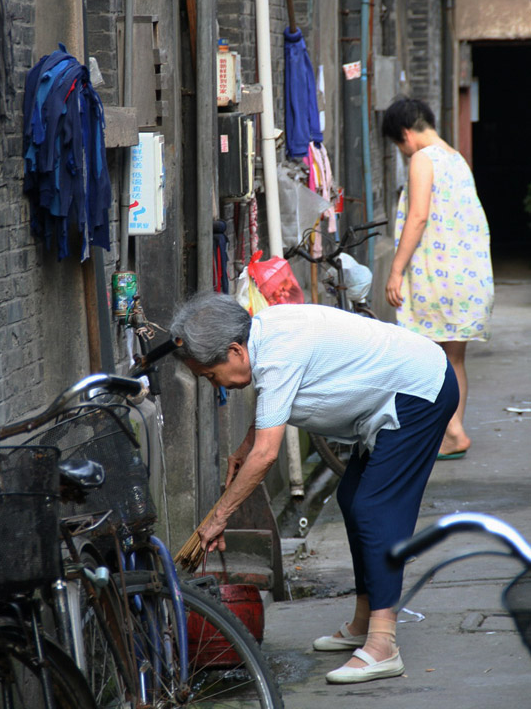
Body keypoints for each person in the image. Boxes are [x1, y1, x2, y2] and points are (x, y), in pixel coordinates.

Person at [170, 291, 459, 684]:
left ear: (235, 351)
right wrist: (245, 445)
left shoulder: (277, 353)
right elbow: (275, 407)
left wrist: (218, 517)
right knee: (352, 498)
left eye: (209, 376)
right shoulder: (265, 336)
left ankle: (383, 643)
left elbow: (268, 454)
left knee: (375, 508)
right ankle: (363, 622)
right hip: (393, 394)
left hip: (420, 392)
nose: (213, 384)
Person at [382, 97, 494, 459]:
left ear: (405, 134)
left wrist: (395, 270)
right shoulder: (455, 158)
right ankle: (454, 432)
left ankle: (449, 433)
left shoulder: (422, 159)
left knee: (428, 358)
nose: (402, 151)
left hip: (437, 277)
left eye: (399, 145)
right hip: (467, 276)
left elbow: (417, 217)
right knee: (454, 359)